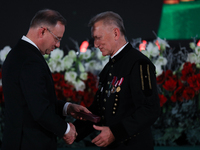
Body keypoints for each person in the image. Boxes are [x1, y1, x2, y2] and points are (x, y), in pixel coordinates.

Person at [1, 9, 91, 150]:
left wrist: (67, 108)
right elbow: (40, 110)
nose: (58, 45)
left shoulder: (19, 54)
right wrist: (66, 130)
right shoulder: (30, 60)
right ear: (42, 31)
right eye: (57, 38)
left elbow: (31, 102)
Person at [73, 11, 160, 150]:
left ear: (115, 33)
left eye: (98, 38)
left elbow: (150, 109)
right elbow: (99, 110)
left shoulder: (139, 63)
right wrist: (73, 130)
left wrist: (115, 133)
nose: (95, 44)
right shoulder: (109, 67)